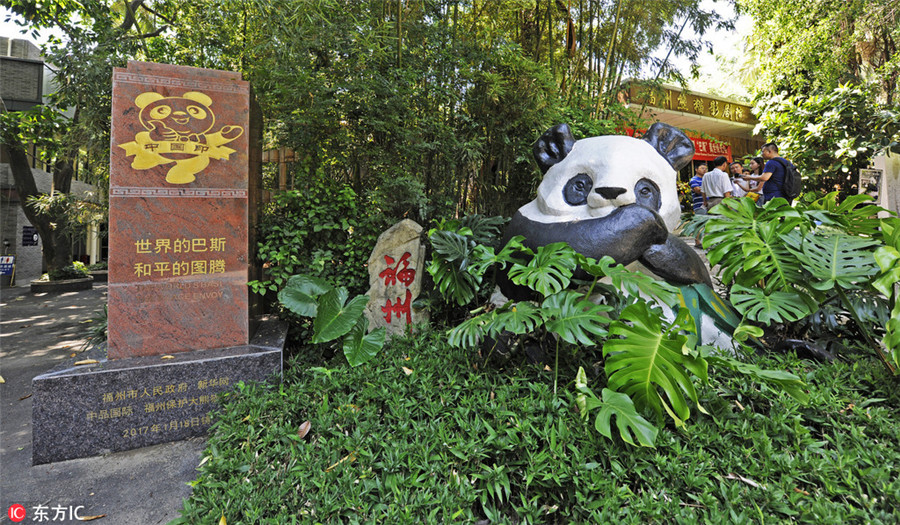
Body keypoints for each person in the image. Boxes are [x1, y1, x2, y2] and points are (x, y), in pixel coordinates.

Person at [689, 163, 707, 247]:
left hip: (708, 204)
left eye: (705, 168)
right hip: (699, 205)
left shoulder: (706, 179)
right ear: (696, 169)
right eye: (702, 168)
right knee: (699, 223)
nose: (704, 170)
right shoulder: (693, 180)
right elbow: (697, 190)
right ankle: (697, 242)